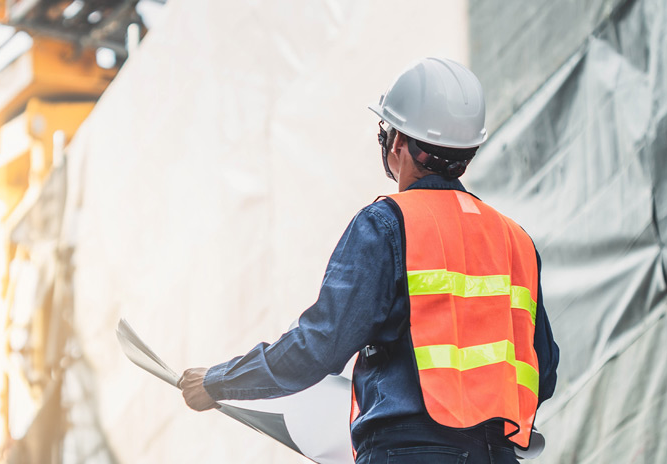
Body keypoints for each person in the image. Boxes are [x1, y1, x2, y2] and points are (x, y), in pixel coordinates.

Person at [178, 57, 560, 464]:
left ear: (397, 142)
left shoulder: (386, 225)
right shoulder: (515, 240)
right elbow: (544, 372)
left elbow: (318, 346)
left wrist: (220, 382)